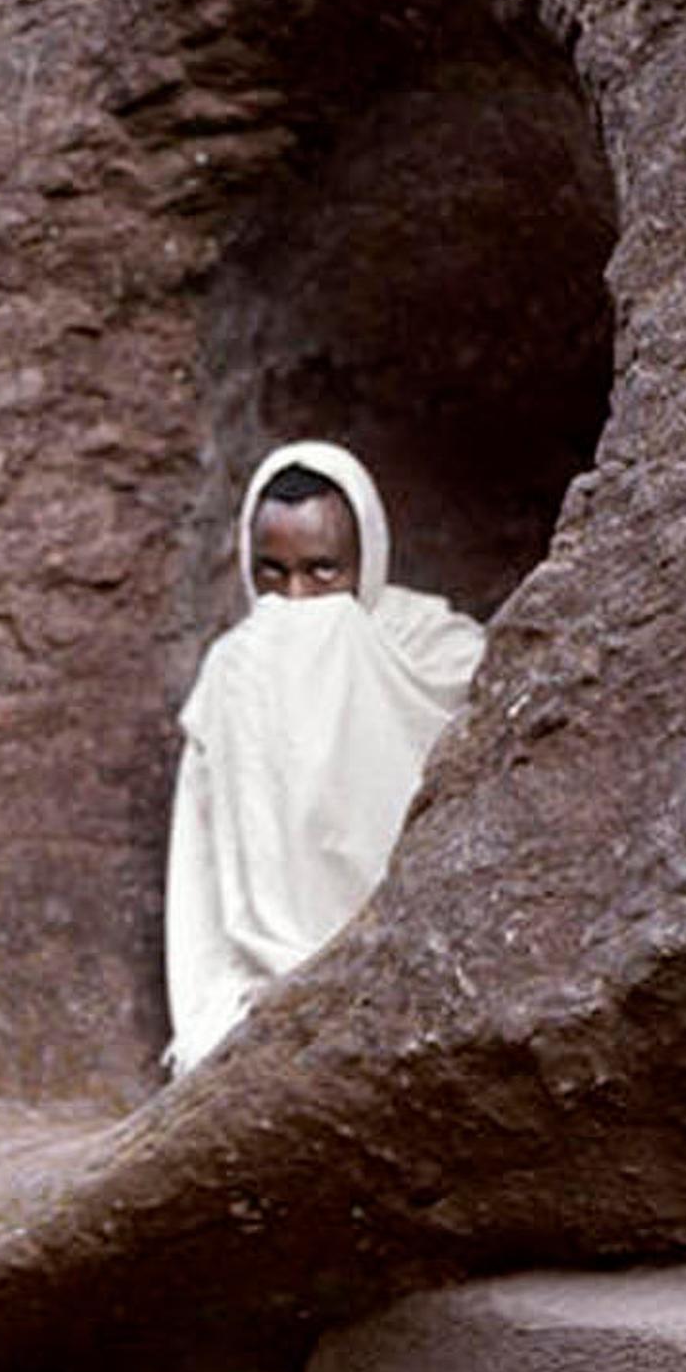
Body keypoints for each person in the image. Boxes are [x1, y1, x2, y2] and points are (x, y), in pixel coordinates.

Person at [162, 441, 485, 1073]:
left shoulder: (441, 654)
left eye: (323, 571)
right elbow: (204, 862)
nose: (299, 598)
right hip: (260, 982)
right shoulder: (236, 670)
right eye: (273, 575)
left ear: (369, 558)